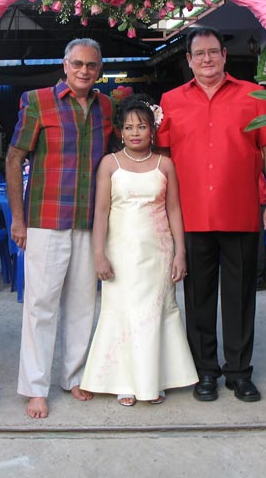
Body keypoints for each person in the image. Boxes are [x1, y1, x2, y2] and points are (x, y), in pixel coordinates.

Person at [156, 27, 266, 403]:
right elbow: (162, 159)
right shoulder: (171, 100)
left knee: (241, 297)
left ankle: (240, 372)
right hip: (191, 217)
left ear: (224, 56)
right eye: (200, 54)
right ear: (189, 60)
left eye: (214, 52)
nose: (207, 59)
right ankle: (205, 372)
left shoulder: (254, 97)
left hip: (242, 212)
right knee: (198, 299)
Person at [5, 38, 113, 419]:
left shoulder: (105, 107)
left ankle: (75, 375)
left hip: (88, 220)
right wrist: (18, 219)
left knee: (83, 303)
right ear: (65, 65)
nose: (85, 71)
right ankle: (36, 388)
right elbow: (15, 158)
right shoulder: (37, 101)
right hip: (46, 219)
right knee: (40, 305)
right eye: (78, 64)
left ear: (99, 69)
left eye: (92, 65)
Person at [81, 94, 197, 406]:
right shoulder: (109, 164)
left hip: (157, 252)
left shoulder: (165, 165)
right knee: (123, 314)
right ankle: (124, 380)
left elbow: (174, 211)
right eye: (129, 127)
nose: (135, 133)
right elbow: (101, 212)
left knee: (155, 312)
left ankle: (155, 379)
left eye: (142, 127)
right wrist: (98, 254)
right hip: (120, 253)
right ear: (119, 131)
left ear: (152, 130)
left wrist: (180, 253)